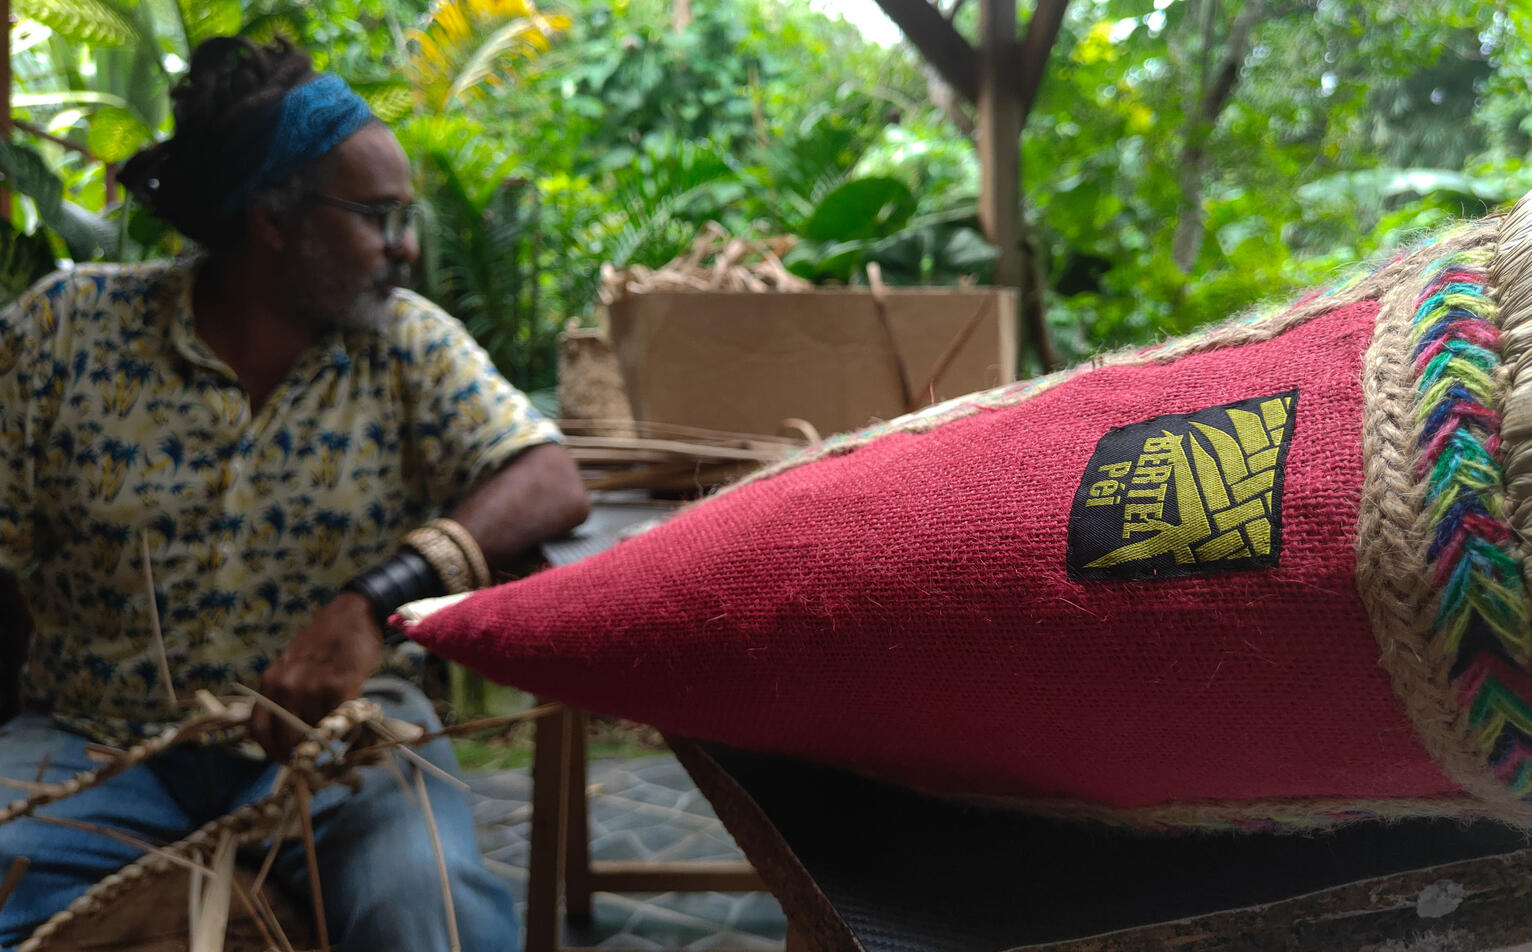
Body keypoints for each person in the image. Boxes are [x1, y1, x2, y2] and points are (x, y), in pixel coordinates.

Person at [0, 35, 589, 950]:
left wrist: (374, 601)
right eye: (380, 216)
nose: (408, 245)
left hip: (347, 741)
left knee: (429, 919)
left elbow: (548, 476)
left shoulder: (405, 346)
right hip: (93, 738)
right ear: (275, 220)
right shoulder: (66, 335)